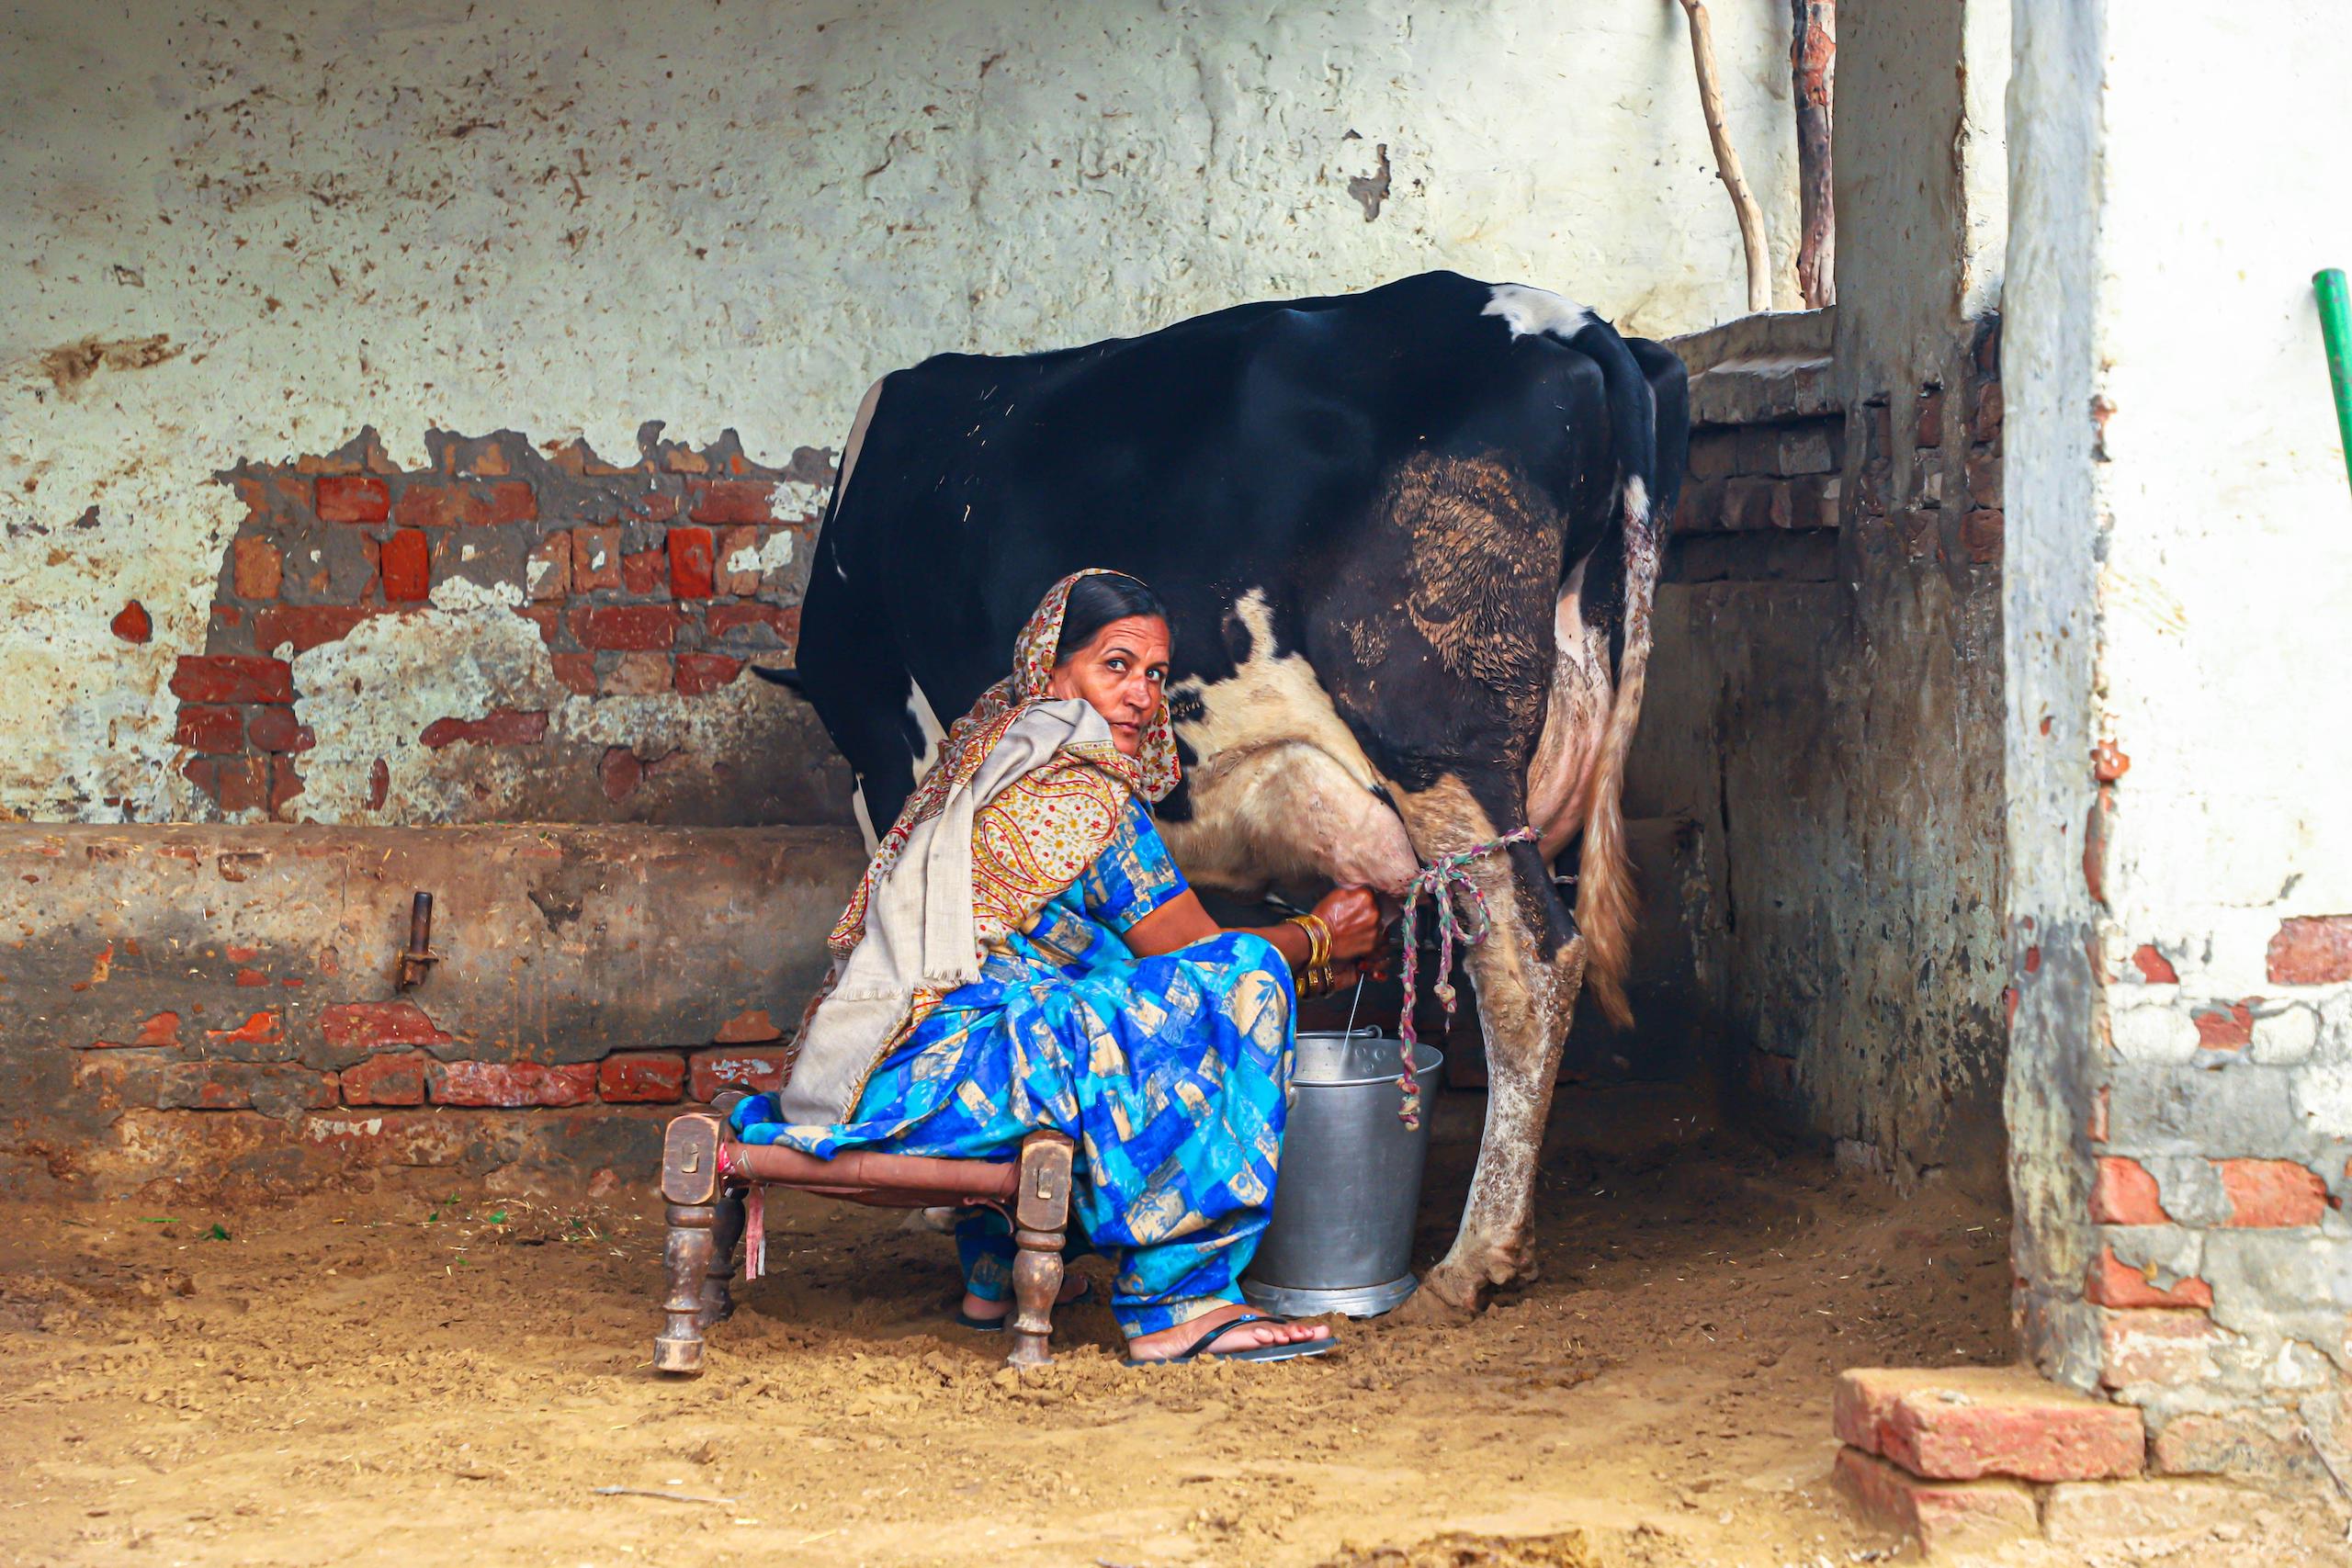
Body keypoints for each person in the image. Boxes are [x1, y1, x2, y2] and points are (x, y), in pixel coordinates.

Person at [728, 569, 1384, 1364]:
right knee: (1238, 982)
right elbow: (1200, 956)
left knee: (1061, 980)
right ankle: (1181, 1298)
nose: (1142, 695)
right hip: (941, 1092)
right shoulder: (1083, 796)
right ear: (1052, 668)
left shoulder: (992, 761)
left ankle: (994, 1272)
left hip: (878, 1076)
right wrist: (1316, 938)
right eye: (1115, 665)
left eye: (1154, 675)